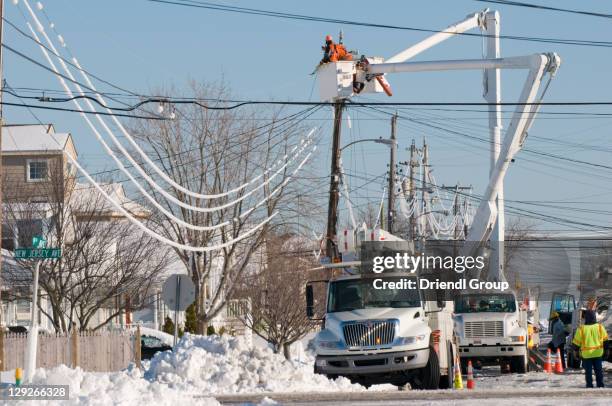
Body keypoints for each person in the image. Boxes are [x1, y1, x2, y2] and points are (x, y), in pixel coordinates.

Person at [572, 309, 608, 388]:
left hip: (586, 355)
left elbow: (576, 344)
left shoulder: (581, 329)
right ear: (594, 317)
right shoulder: (600, 327)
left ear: (586, 318)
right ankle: (600, 385)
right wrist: (606, 351)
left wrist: (576, 353)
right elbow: (605, 341)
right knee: (598, 371)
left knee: (588, 372)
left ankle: (589, 386)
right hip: (598, 353)